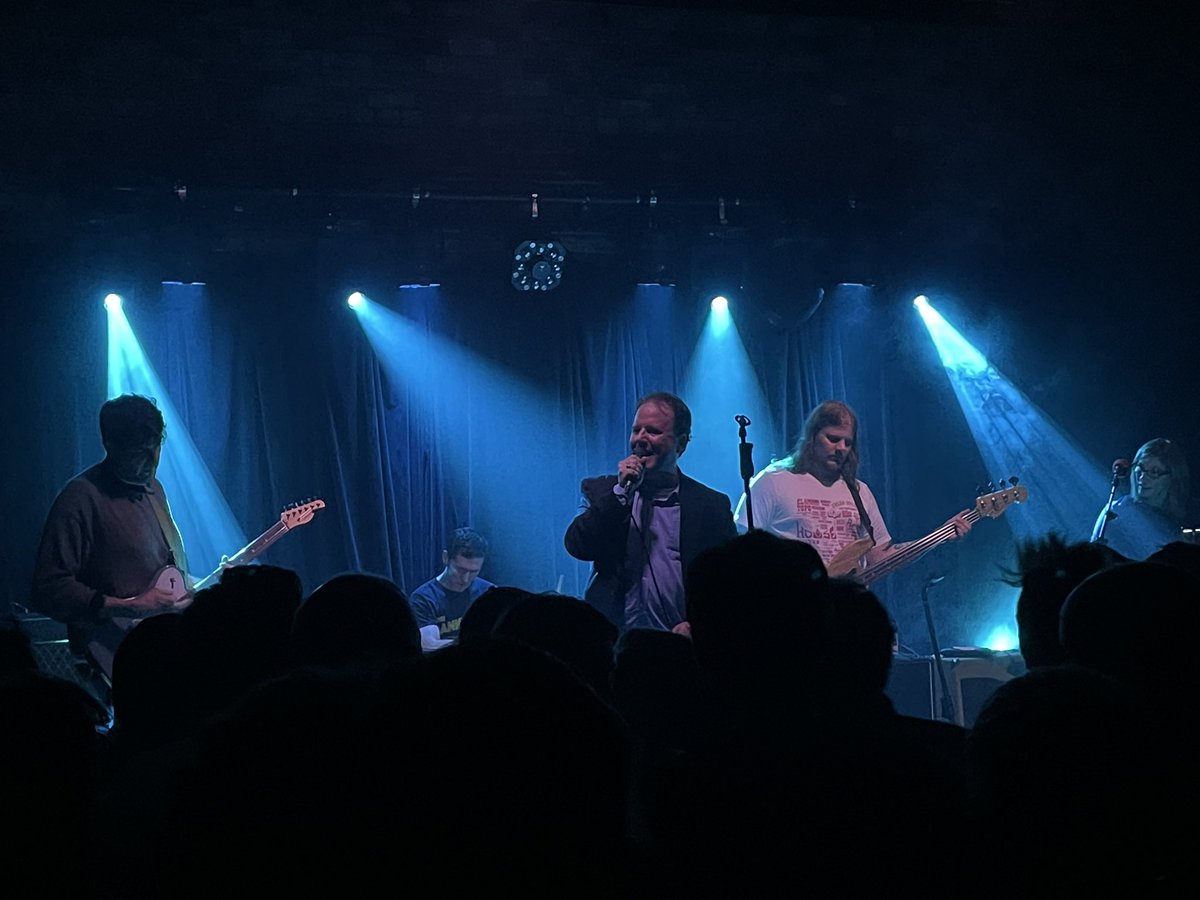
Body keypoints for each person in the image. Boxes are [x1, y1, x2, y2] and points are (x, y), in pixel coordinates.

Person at [29, 394, 191, 684]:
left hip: (161, 654)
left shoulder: (155, 490)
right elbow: (47, 588)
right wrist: (128, 606)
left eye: (155, 448)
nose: (151, 461)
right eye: (139, 452)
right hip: (111, 660)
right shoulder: (80, 497)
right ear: (110, 444)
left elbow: (165, 570)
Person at [733, 399, 970, 578]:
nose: (841, 448)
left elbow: (880, 556)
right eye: (833, 439)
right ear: (812, 436)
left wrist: (940, 535)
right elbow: (741, 544)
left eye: (848, 442)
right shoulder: (774, 480)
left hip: (843, 613)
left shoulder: (859, 492)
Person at [564, 390, 737, 632]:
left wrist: (701, 625)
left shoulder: (710, 505)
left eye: (653, 431)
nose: (640, 439)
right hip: (613, 641)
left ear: (681, 444)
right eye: (636, 430)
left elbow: (728, 579)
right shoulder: (604, 491)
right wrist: (621, 493)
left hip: (680, 643)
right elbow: (578, 546)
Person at [1091, 438, 1191, 560]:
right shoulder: (1118, 510)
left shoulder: (1183, 516)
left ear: (1172, 477)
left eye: (1154, 472)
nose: (1142, 478)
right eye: (1140, 468)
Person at [407, 527, 495, 650]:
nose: (465, 579)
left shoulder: (489, 593)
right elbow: (427, 644)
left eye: (474, 572)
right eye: (460, 570)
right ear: (445, 558)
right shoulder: (424, 598)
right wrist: (475, 645)